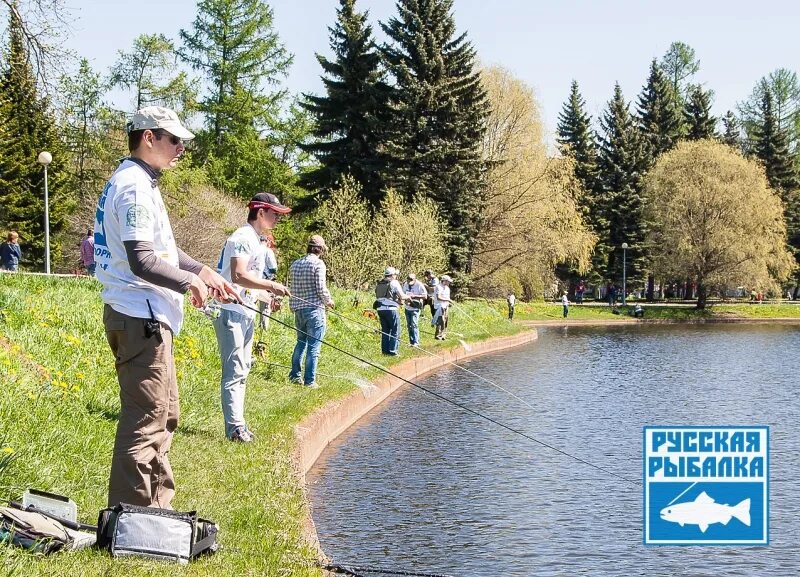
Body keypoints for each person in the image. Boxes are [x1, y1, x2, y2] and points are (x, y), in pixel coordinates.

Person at [93, 106, 239, 508]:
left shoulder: (142, 182)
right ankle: (133, 518)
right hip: (141, 318)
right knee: (145, 423)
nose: (180, 149)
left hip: (148, 318)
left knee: (165, 415)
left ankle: (158, 511)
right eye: (174, 140)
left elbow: (165, 250)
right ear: (148, 137)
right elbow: (141, 258)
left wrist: (204, 270)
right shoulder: (134, 186)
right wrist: (187, 281)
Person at [213, 193, 291, 443]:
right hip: (230, 312)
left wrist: (267, 297)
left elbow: (249, 285)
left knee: (244, 368)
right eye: (275, 214)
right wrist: (271, 285)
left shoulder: (257, 240)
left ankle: (240, 424)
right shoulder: (243, 237)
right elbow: (237, 276)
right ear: (260, 212)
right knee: (235, 370)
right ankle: (235, 429)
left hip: (245, 311)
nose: (278, 218)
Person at [288, 235, 335, 388]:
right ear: (320, 249)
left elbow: (292, 288)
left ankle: (295, 376)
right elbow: (321, 288)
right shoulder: (318, 264)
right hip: (314, 310)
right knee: (314, 347)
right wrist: (329, 301)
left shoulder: (295, 264)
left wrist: (292, 304)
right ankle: (310, 381)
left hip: (298, 310)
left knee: (300, 343)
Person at [375, 267, 408, 355]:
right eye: (395, 275)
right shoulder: (394, 283)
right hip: (391, 309)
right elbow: (402, 296)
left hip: (380, 309)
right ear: (392, 275)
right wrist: (409, 297)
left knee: (385, 330)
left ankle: (385, 351)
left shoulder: (379, 284)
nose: (396, 276)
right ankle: (393, 351)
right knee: (395, 330)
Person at [402, 273, 427, 346]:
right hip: (407, 307)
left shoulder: (419, 285)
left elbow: (425, 296)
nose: (409, 282)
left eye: (411, 281)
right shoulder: (405, 284)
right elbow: (403, 294)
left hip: (415, 307)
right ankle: (411, 342)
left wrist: (414, 296)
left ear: (415, 279)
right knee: (409, 325)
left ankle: (416, 342)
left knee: (414, 324)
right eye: (408, 280)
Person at [432, 274, 452, 340]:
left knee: (445, 320)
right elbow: (439, 297)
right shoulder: (438, 287)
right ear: (445, 281)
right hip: (439, 306)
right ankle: (438, 335)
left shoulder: (447, 288)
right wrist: (447, 300)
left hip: (446, 306)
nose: (449, 282)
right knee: (440, 321)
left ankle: (443, 335)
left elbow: (447, 297)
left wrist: (449, 302)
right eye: (448, 281)